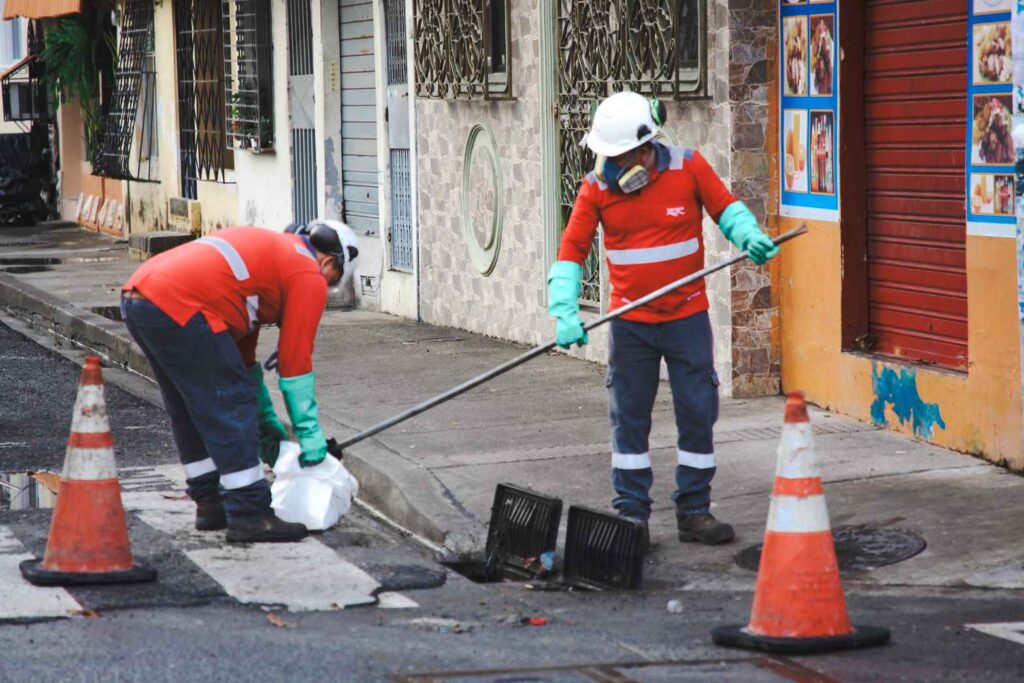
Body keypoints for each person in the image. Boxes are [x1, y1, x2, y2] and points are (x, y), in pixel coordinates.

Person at [548, 91, 779, 546]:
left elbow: (725, 208)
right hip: (630, 324)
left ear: (645, 147)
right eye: (605, 158)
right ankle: (632, 515)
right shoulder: (596, 188)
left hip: (686, 317)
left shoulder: (688, 167)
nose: (611, 167)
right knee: (629, 417)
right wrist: (564, 310)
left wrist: (748, 234)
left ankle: (694, 511)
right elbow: (572, 250)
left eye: (619, 158)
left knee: (697, 411)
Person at [120, 220, 358, 543]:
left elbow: (243, 363)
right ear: (329, 261)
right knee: (230, 402)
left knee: (187, 405)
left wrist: (267, 429)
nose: (326, 291)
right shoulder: (307, 272)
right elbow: (294, 363)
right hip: (182, 302)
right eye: (333, 283)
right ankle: (249, 514)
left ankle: (210, 503)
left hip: (141, 299)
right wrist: (310, 438)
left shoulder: (271, 259)